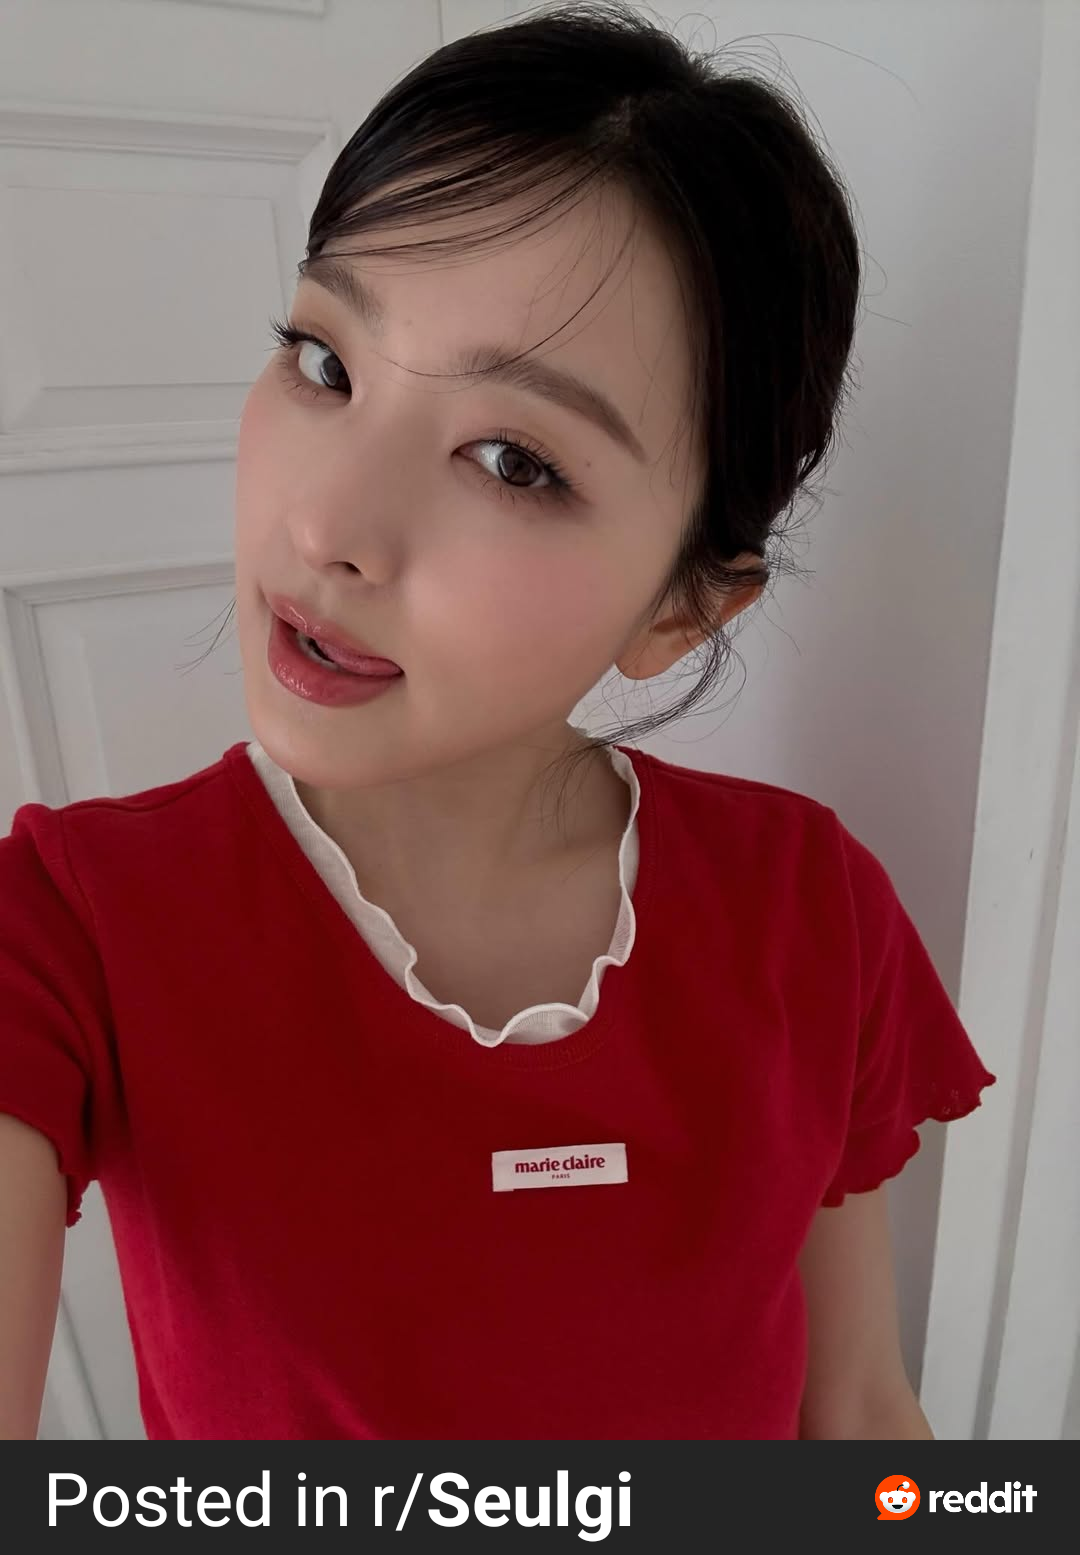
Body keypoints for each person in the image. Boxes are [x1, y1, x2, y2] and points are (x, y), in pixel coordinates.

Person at [0, 0, 995, 1441]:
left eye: (514, 460)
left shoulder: (810, 915)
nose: (327, 528)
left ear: (685, 607)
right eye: (326, 361)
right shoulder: (67, 929)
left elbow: (861, 1412)